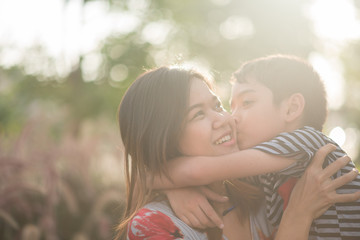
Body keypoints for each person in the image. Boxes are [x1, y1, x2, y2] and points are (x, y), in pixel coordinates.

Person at [115, 66, 360, 240]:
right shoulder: (155, 226)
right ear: (164, 138)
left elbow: (196, 171)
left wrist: (164, 179)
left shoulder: (263, 188)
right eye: (198, 114)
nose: (225, 119)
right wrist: (298, 216)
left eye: (216, 105)